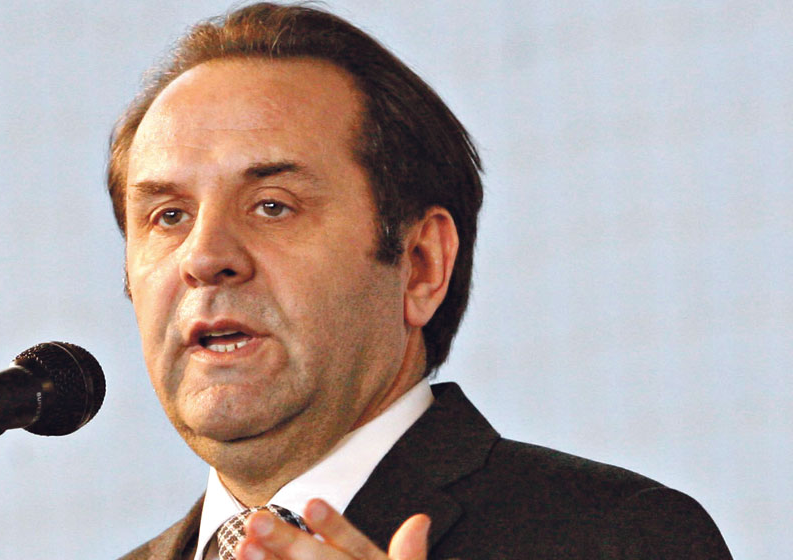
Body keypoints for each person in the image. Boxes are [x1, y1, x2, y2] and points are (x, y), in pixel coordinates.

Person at [106, 3, 731, 559]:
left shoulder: (619, 538)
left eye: (273, 205)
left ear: (421, 264)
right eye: (169, 216)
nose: (204, 256)